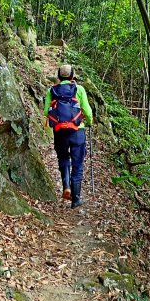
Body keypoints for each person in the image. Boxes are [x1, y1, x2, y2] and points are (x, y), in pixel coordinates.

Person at [44, 64, 93, 208]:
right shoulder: (79, 89)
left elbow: (47, 111)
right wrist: (89, 121)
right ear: (72, 76)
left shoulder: (51, 90)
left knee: (63, 157)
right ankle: (76, 199)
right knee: (77, 164)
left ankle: (66, 187)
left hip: (60, 132)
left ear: (59, 76)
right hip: (77, 131)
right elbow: (87, 111)